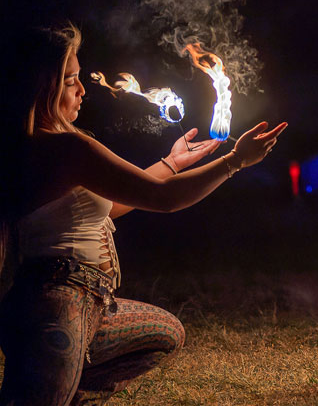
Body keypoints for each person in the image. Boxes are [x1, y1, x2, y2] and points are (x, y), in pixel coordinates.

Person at [0, 23, 287, 405]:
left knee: (165, 333)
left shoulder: (44, 147)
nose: (83, 89)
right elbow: (163, 198)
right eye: (71, 81)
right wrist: (235, 162)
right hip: (56, 305)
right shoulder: (65, 149)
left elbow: (111, 207)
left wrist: (171, 162)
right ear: (42, 85)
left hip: (89, 304)